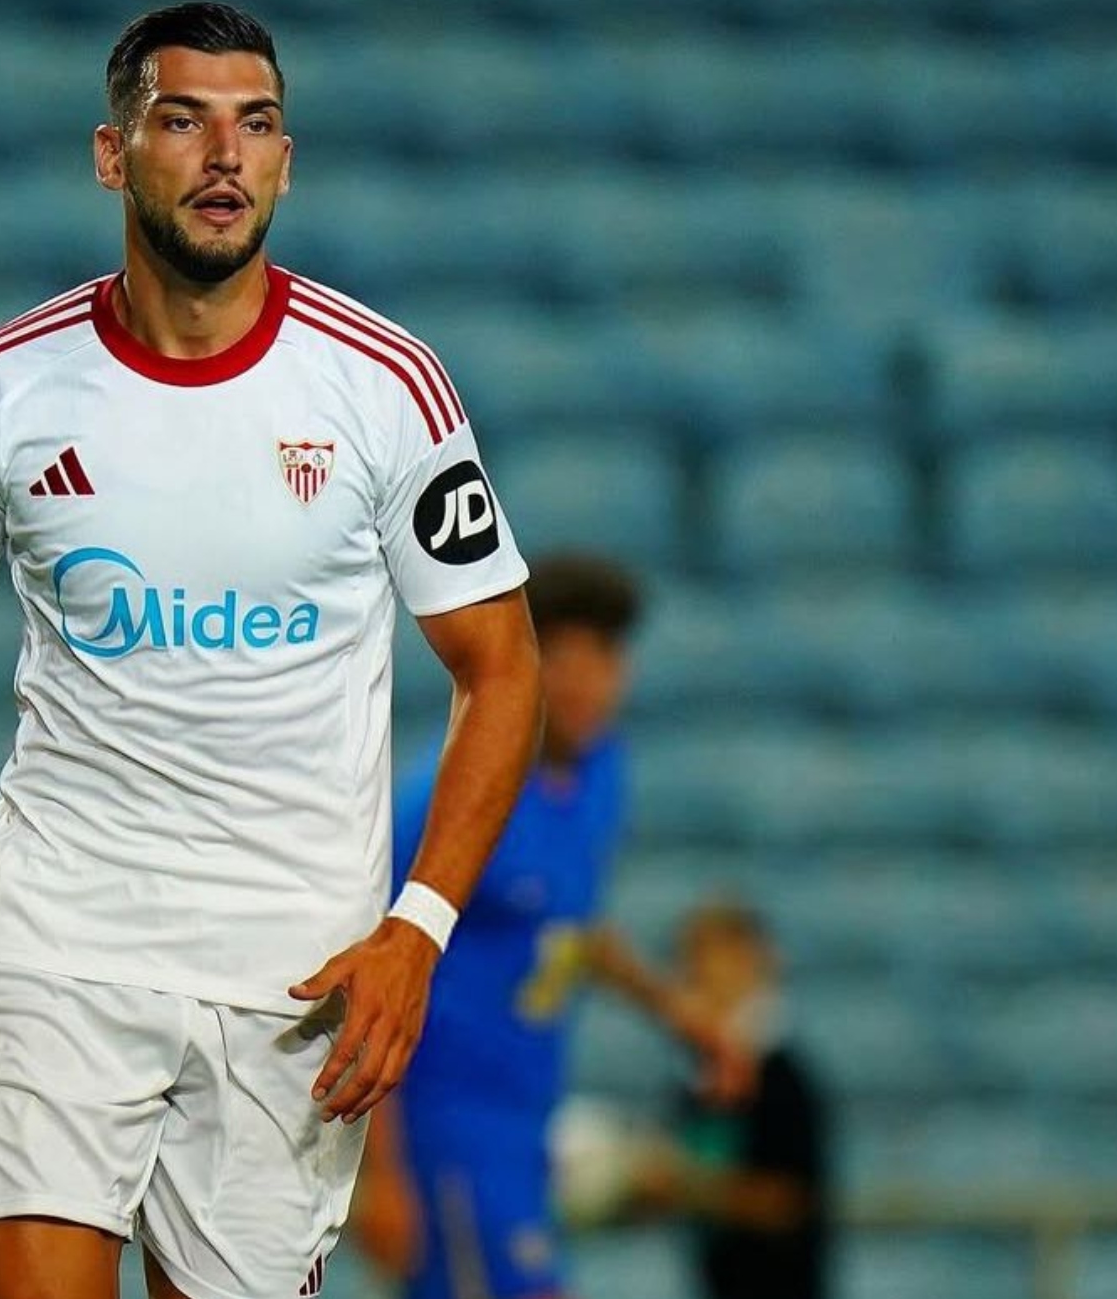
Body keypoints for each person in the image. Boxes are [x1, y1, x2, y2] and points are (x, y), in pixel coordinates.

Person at [0, 2, 543, 1299]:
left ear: (285, 160)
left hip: (294, 977)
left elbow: (503, 666)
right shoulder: (5, 387)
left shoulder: (386, 390)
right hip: (58, 938)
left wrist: (418, 932)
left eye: (256, 125)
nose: (225, 154)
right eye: (183, 121)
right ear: (113, 155)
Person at [352, 556, 751, 1299]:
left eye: (604, 660)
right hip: (449, 1127)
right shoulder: (445, 800)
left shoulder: (603, 774)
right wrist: (384, 1174)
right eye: (562, 660)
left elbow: (572, 924)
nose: (585, 683)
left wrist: (679, 1014)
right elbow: (377, 972)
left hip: (529, 1118)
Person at [632, 900, 834, 1299]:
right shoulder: (696, 1083)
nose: (695, 981)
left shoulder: (782, 1079)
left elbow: (788, 1201)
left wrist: (687, 1187)